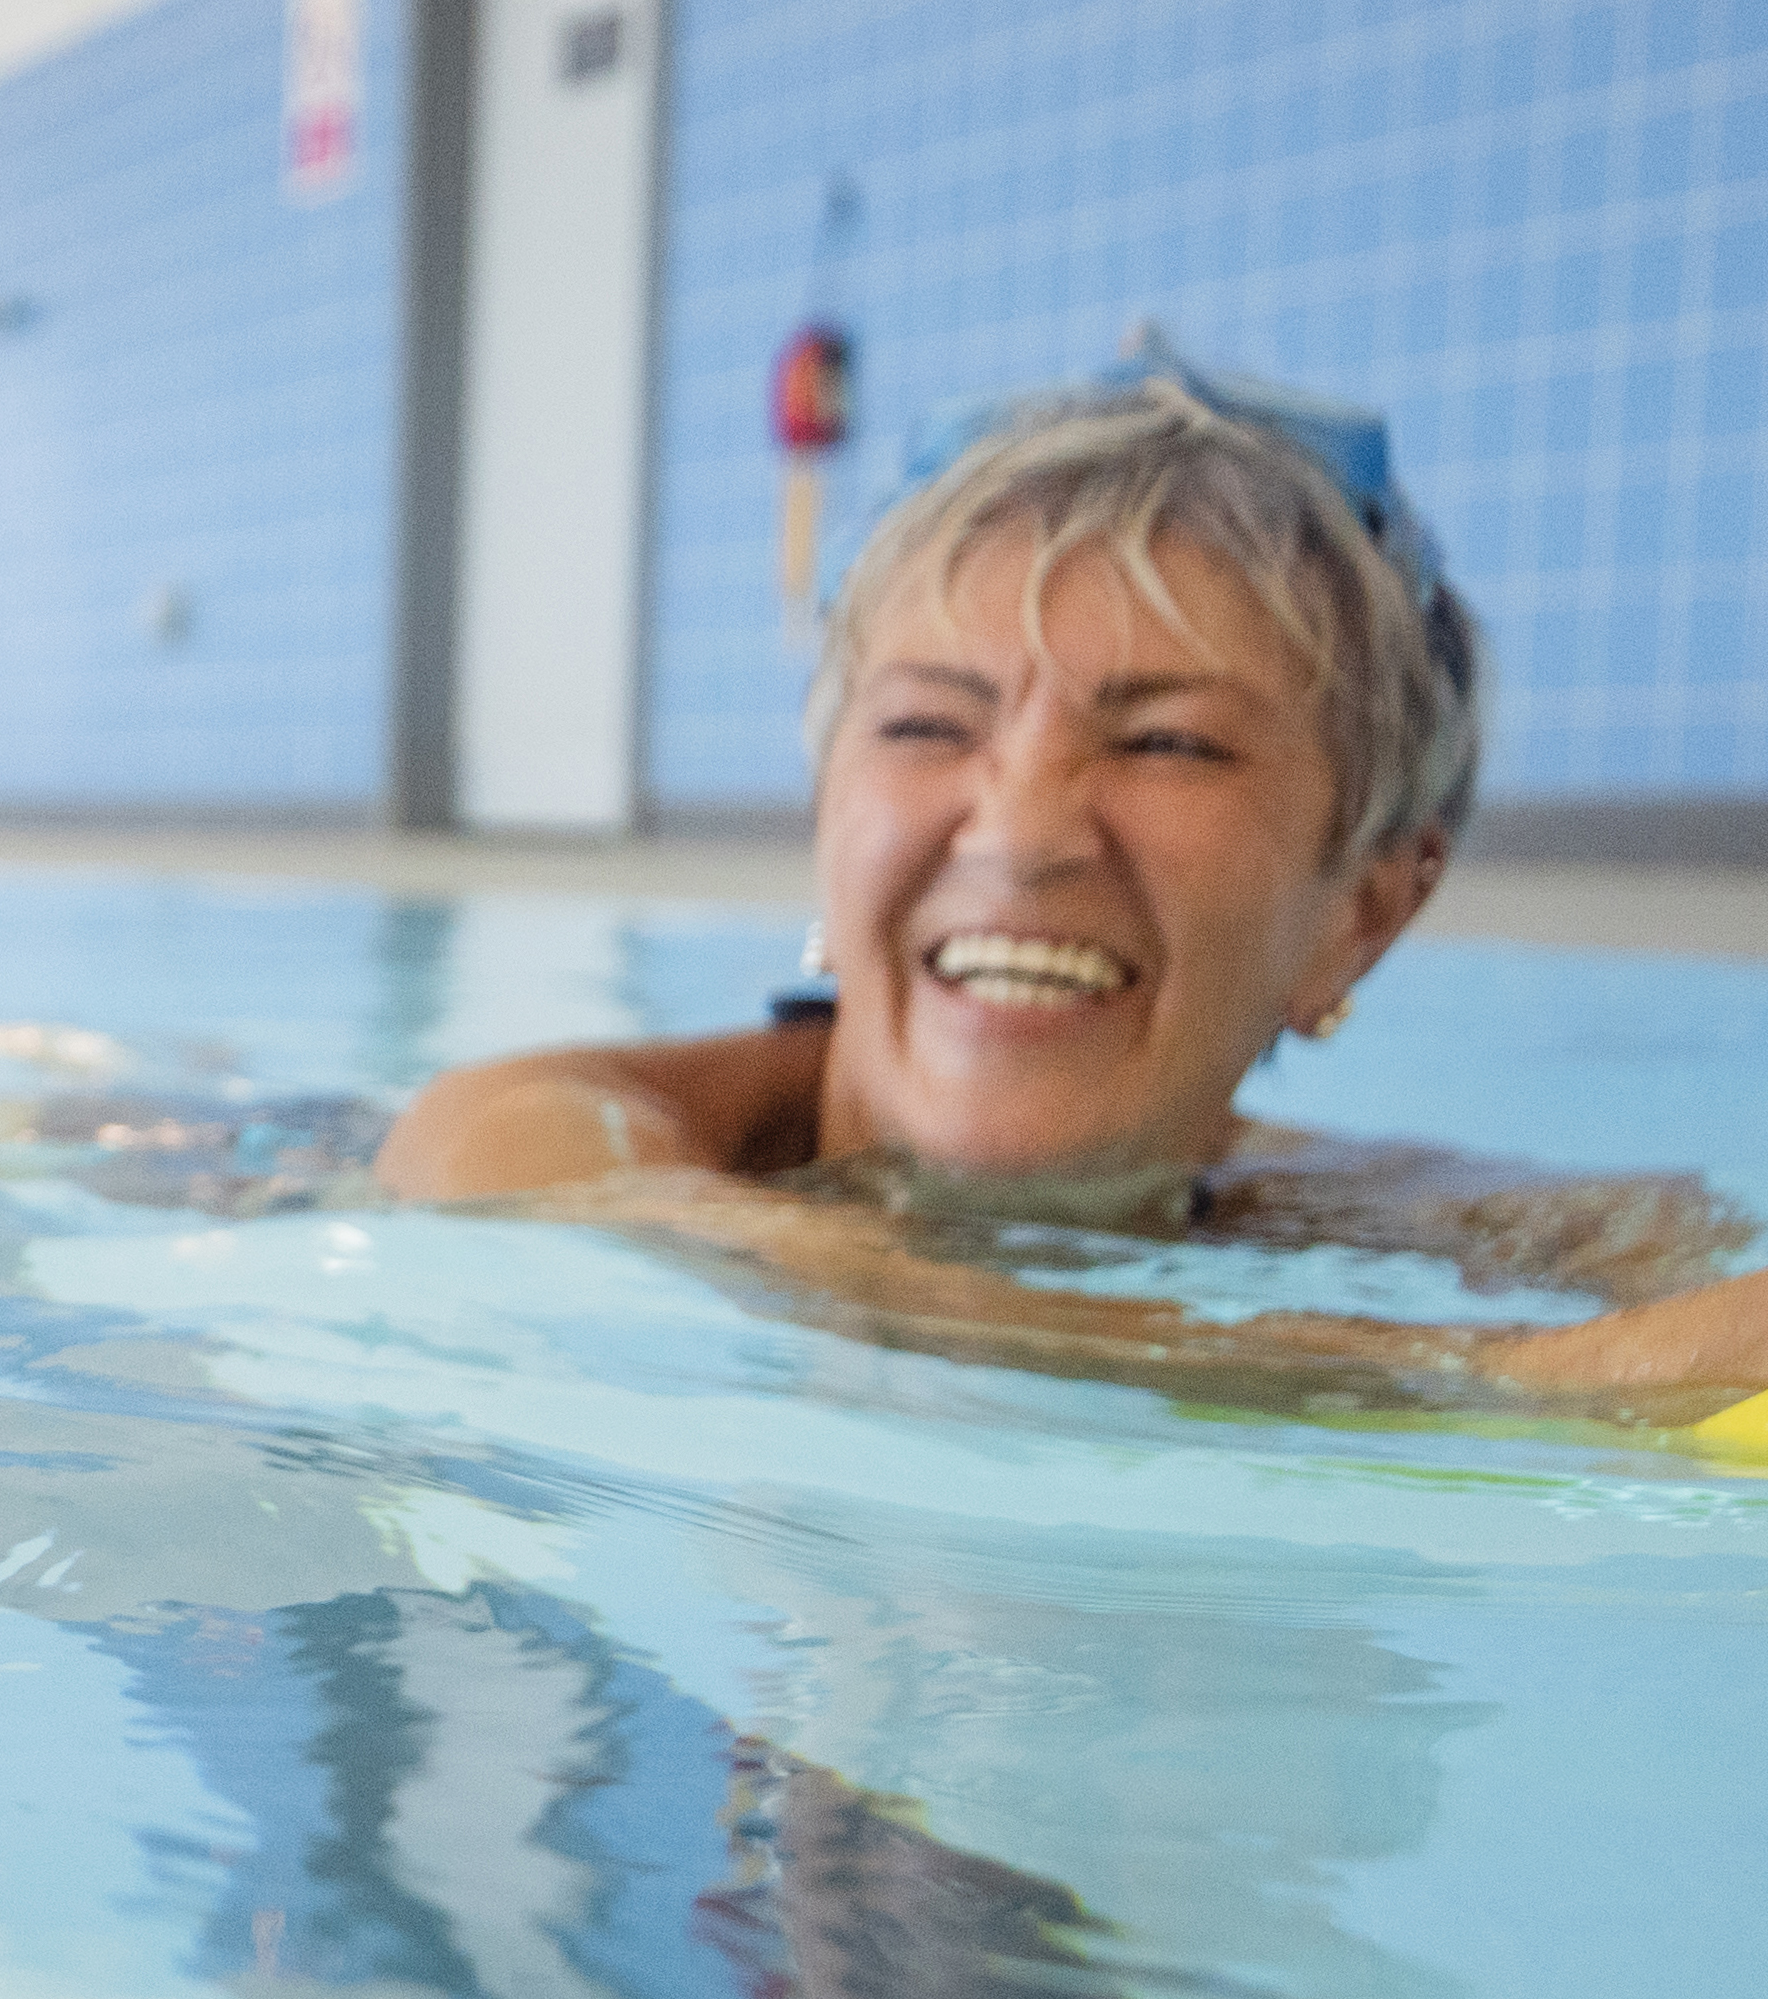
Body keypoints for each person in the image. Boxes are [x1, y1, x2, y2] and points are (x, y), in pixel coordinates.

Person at [376, 351, 1768, 1415]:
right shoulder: (534, 1137)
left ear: (1364, 913)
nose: (1021, 833)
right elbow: (837, 1301)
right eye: (928, 724)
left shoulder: (1372, 1213)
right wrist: (1531, 1383)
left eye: (1170, 743)